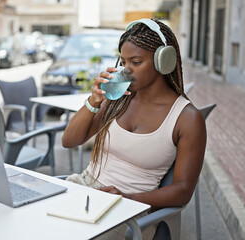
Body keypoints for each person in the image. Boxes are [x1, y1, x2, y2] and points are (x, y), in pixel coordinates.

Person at [62, 18, 207, 239]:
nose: (126, 70)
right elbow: (69, 141)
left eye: (136, 62)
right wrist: (93, 101)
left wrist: (127, 197)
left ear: (163, 61)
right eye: (123, 61)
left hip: (129, 209)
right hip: (85, 190)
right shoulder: (118, 98)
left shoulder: (187, 119)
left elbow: (183, 190)